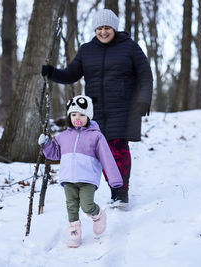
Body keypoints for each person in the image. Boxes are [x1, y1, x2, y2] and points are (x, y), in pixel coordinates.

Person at [41, 9, 153, 208]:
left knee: (118, 148)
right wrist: (51, 73)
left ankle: (122, 192)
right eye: (99, 28)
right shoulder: (86, 50)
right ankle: (114, 190)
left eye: (107, 27)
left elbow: (145, 74)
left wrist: (144, 100)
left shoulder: (130, 47)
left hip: (123, 107)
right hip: (96, 109)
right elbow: (71, 74)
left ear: (114, 28)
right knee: (102, 151)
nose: (103, 32)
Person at [38, 95, 123, 248]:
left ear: (88, 116)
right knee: (71, 206)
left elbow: (107, 157)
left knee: (86, 205)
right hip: (68, 178)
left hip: (87, 179)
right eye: (74, 114)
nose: (77, 117)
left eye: (82, 114)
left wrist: (114, 179)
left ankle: (98, 215)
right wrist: (46, 144)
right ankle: (75, 233)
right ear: (69, 116)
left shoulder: (96, 136)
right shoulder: (63, 136)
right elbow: (54, 154)